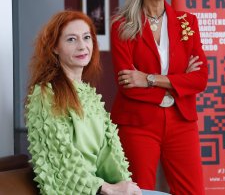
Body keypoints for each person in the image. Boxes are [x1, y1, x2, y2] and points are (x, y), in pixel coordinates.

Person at [110, 0, 208, 195]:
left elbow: (200, 78)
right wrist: (177, 82)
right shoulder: (122, 25)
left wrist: (150, 79)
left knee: (193, 191)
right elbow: (128, 84)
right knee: (139, 191)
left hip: (181, 121)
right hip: (138, 122)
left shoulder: (188, 23)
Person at [25, 10, 142, 195]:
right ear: (55, 47)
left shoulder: (89, 94)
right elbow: (60, 159)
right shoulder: (45, 94)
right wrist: (104, 188)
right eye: (71, 39)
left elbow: (109, 154)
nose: (82, 46)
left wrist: (124, 184)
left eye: (86, 38)